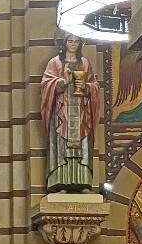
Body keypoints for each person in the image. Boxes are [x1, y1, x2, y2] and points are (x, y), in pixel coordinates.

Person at [40, 34, 101, 193]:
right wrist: (62, 82)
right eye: (70, 41)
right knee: (61, 145)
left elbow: (94, 85)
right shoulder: (54, 63)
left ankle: (83, 183)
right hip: (62, 113)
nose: (73, 45)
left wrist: (87, 87)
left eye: (76, 41)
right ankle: (61, 182)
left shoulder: (85, 63)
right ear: (64, 43)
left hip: (81, 110)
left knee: (83, 146)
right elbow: (46, 85)